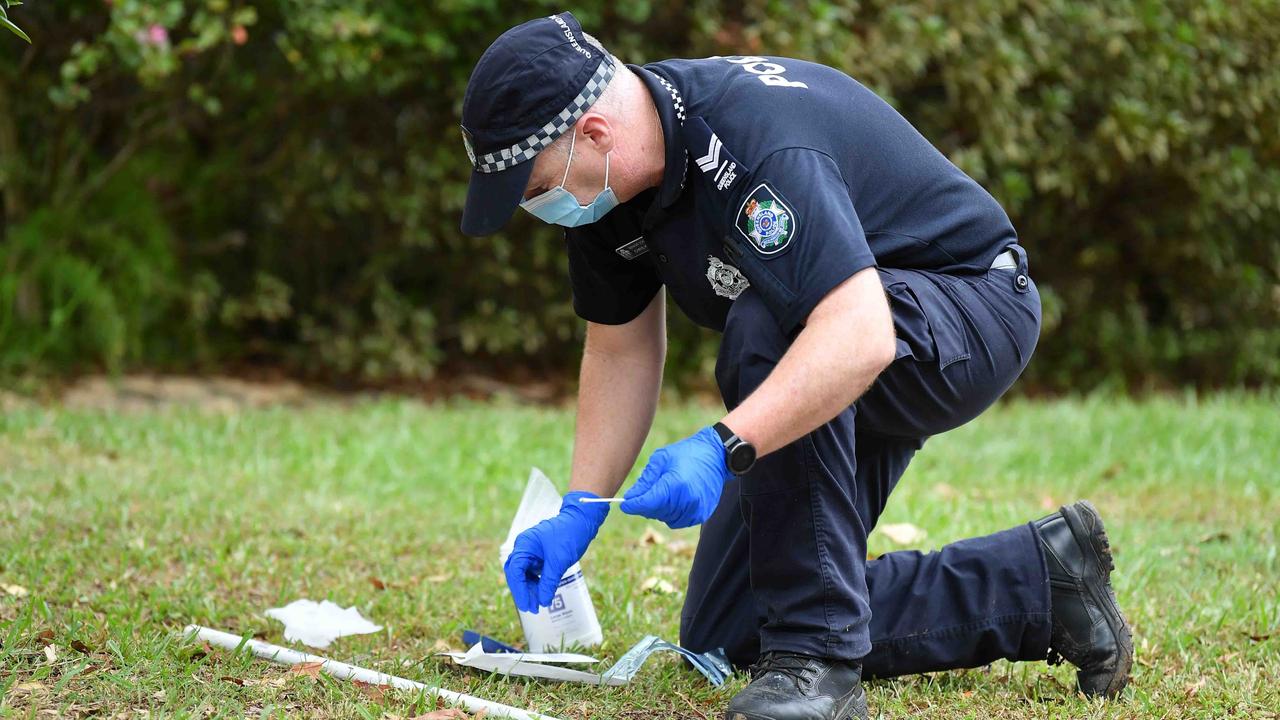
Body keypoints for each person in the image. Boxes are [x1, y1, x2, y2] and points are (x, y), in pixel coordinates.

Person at [459, 12, 1132, 720]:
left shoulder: (752, 145)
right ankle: (1042, 581)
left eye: (536, 191)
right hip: (842, 331)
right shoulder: (613, 191)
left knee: (770, 320)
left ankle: (819, 667)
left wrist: (723, 446)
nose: (541, 209)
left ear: (594, 134)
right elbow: (621, 345)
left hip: (967, 305)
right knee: (731, 629)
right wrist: (582, 507)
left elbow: (859, 332)